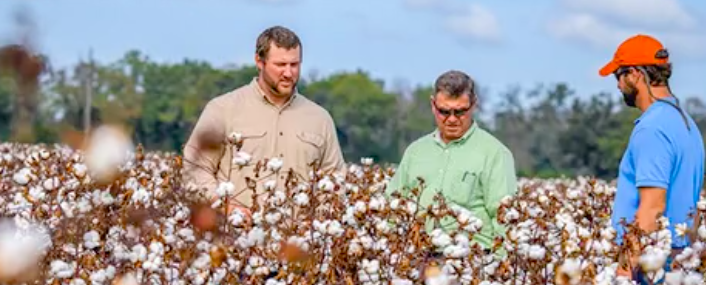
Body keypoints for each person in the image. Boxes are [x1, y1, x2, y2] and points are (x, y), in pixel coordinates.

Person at [600, 34, 705, 285]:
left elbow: (652, 206)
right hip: (678, 260)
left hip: (650, 268)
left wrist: (625, 267)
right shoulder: (684, 123)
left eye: (619, 76)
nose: (618, 86)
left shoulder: (652, 128)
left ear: (635, 74)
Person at [182, 25, 345, 217]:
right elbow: (195, 169)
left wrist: (315, 226)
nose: (288, 73)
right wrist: (226, 209)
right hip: (233, 239)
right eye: (280, 65)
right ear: (259, 61)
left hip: (298, 242)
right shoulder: (223, 109)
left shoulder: (320, 119)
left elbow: (335, 182)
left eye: (294, 65)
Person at [384, 70, 517, 253]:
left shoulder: (495, 153)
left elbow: (504, 219)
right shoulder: (415, 152)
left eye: (460, 111)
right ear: (433, 105)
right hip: (418, 261)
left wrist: (499, 270)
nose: (452, 119)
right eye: (444, 112)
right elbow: (393, 207)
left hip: (473, 263)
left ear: (474, 105)